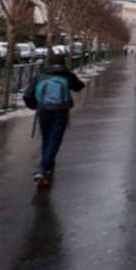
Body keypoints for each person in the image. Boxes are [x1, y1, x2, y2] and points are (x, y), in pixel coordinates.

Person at [23, 53, 85, 182]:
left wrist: (36, 106)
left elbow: (28, 95)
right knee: (55, 139)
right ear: (63, 63)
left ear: (49, 62)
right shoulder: (67, 75)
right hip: (61, 111)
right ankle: (43, 167)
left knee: (46, 137)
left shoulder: (41, 75)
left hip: (44, 110)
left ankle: (47, 164)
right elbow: (79, 86)